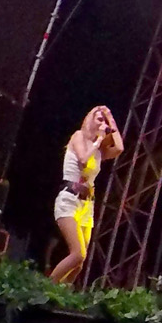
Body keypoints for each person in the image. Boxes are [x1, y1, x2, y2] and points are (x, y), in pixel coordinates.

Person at [50, 105, 124, 284]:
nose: (103, 123)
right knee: (78, 254)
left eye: (105, 121)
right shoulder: (78, 137)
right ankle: (46, 288)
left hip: (87, 204)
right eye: (99, 119)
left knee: (79, 264)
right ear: (90, 120)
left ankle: (62, 294)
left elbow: (119, 148)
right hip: (69, 198)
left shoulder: (99, 151)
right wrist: (99, 140)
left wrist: (111, 118)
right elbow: (83, 160)